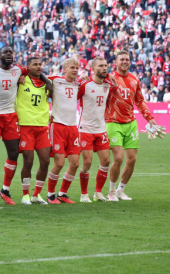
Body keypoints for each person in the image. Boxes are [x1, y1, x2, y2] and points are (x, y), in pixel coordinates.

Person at [0, 46, 51, 206]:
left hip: (11, 116)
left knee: (13, 154)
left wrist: (47, 80)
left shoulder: (19, 71)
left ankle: (5, 190)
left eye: (10, 53)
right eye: (5, 53)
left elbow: (35, 70)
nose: (8, 55)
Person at [105, 50, 157, 201]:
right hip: (113, 122)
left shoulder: (135, 79)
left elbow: (140, 101)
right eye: (121, 59)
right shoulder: (110, 78)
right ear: (116, 62)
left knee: (132, 159)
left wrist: (150, 118)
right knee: (119, 158)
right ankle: (111, 191)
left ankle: (121, 190)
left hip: (131, 123)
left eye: (126, 59)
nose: (124, 62)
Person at [77, 57, 113, 203]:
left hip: (101, 129)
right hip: (86, 129)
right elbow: (73, 99)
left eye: (105, 65)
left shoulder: (109, 85)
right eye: (100, 66)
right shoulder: (85, 85)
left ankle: (98, 193)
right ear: (93, 68)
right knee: (87, 163)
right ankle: (84, 194)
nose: (104, 68)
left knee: (106, 161)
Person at [47, 58, 82, 204]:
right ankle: (50, 195)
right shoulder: (55, 80)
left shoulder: (78, 84)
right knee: (59, 163)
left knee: (74, 163)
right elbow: (37, 79)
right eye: (72, 68)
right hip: (58, 126)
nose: (75, 70)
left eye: (77, 68)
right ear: (65, 68)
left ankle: (62, 194)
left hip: (72, 127)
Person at [17, 56, 50, 205]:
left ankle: (37, 194)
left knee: (45, 161)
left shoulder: (47, 83)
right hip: (26, 126)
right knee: (28, 161)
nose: (38, 67)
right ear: (28, 67)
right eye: (34, 64)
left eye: (40, 64)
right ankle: (25, 194)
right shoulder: (21, 80)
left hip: (42, 126)